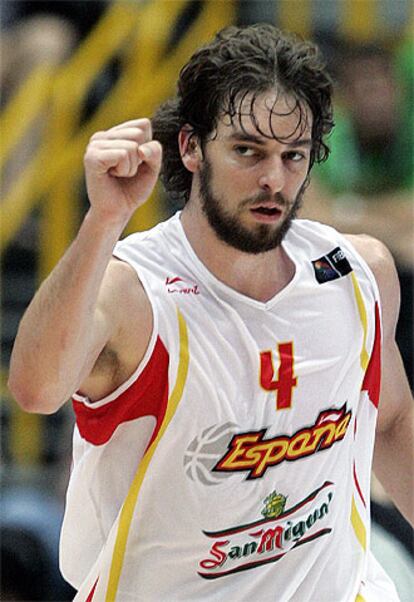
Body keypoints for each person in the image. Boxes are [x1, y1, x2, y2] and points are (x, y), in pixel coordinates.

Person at [8, 24, 413, 601]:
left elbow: (393, 419)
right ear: (191, 146)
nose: (274, 178)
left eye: (292, 156)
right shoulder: (134, 291)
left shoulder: (354, 274)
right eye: (248, 150)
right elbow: (35, 389)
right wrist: (102, 221)